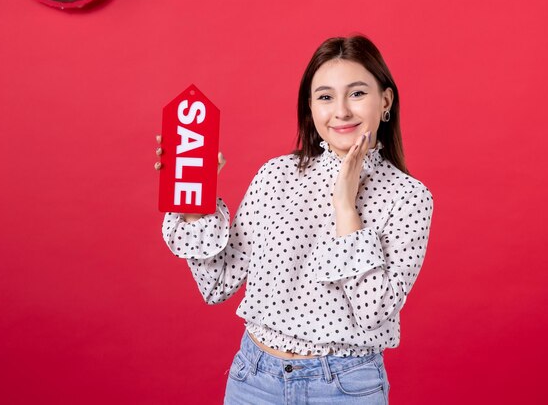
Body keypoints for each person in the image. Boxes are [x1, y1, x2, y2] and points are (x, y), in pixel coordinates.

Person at [159, 35, 433, 404]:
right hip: (254, 381)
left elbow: (373, 312)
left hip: (344, 389)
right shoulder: (278, 176)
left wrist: (345, 207)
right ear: (310, 108)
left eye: (356, 94)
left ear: (385, 101)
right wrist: (194, 200)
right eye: (325, 97)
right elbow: (218, 284)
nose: (341, 111)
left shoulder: (409, 197)